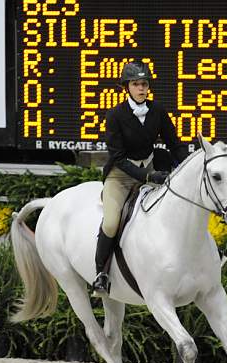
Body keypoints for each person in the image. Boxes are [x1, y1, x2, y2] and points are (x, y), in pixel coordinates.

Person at [92, 60, 189, 295]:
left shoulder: (157, 110)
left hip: (151, 167)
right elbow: (118, 157)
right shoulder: (115, 115)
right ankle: (101, 274)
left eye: (144, 84)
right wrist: (147, 176)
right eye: (136, 84)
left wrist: (187, 165)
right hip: (121, 176)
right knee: (112, 222)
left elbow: (174, 143)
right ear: (127, 87)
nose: (142, 88)